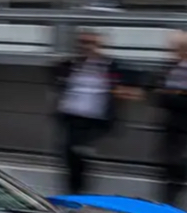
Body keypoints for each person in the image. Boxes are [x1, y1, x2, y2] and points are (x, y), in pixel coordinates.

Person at [53, 30, 139, 195]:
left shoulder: (110, 66)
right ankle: (74, 190)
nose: (86, 47)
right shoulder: (71, 64)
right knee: (71, 156)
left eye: (90, 43)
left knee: (79, 154)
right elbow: (58, 78)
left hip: (95, 119)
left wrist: (122, 92)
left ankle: (80, 190)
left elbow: (131, 84)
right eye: (83, 43)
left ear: (99, 45)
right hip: (72, 116)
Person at [152, 31, 187, 206]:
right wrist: (178, 94)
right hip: (170, 120)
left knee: (177, 158)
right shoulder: (169, 68)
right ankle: (169, 194)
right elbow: (159, 95)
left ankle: (172, 194)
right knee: (168, 158)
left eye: (177, 48)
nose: (173, 52)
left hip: (186, 121)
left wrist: (174, 94)